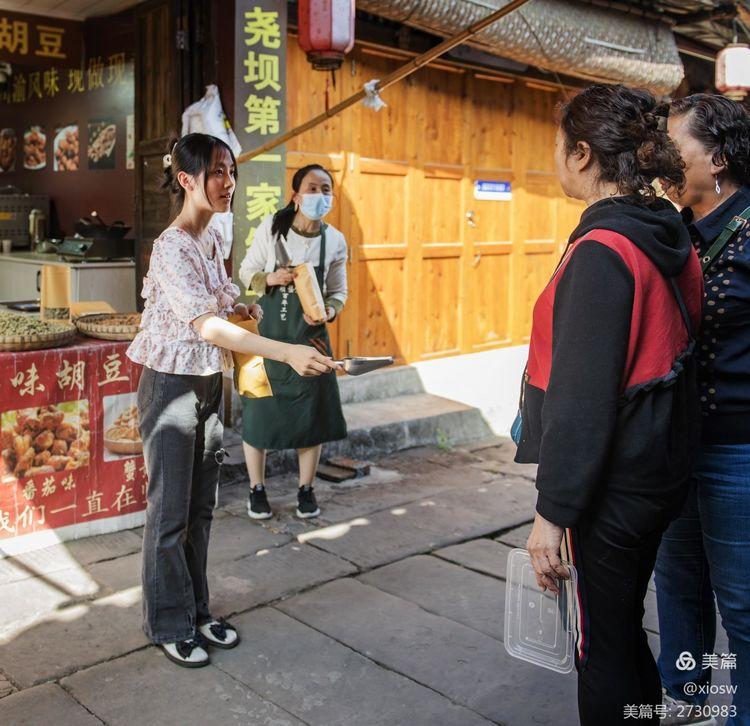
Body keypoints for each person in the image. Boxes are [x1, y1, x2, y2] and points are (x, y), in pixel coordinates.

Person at [513, 84, 703, 725]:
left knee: (600, 649)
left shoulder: (602, 250)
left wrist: (551, 514)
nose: (556, 159)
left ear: (584, 154)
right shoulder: (663, 230)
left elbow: (581, 401)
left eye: (559, 146)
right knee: (620, 630)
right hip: (659, 467)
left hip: (613, 484)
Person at [127, 134, 336, 668]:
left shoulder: (212, 237)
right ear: (186, 180)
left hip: (206, 383)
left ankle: (196, 611)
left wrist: (242, 309)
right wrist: (285, 351)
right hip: (170, 387)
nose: (229, 182)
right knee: (169, 513)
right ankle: (168, 622)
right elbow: (206, 325)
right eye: (217, 172)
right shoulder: (172, 246)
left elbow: (219, 309)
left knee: (200, 509)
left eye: (231, 171)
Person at [654, 94, 750, 726]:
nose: (659, 159)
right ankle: (684, 699)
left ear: (716, 159)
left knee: (741, 602)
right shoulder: (674, 232)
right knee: (677, 583)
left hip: (737, 450)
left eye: (672, 147)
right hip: (674, 442)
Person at [238, 164, 348, 521]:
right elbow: (246, 272)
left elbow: (339, 292)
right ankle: (256, 490)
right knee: (258, 414)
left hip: (310, 339)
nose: (321, 195)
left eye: (326, 189)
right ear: (296, 196)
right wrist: (271, 278)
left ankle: (306, 489)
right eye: (313, 188)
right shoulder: (273, 228)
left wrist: (329, 311)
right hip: (267, 339)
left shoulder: (335, 240)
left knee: (310, 416)